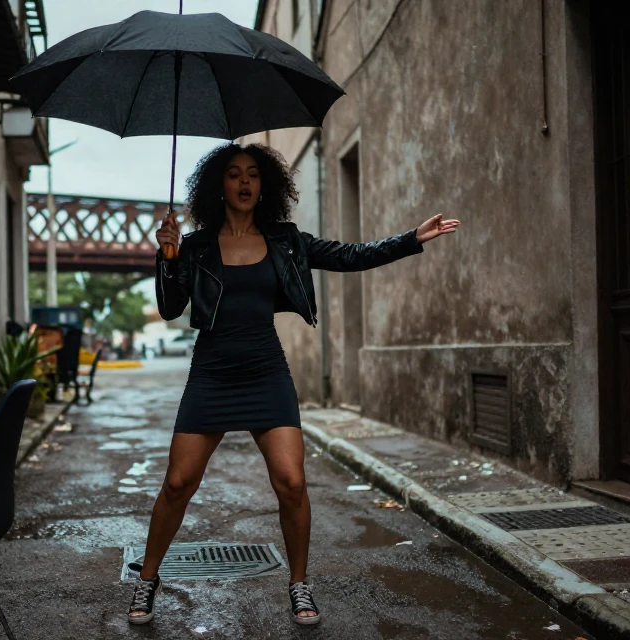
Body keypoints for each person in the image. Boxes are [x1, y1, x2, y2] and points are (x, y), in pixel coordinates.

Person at [126, 143, 461, 626]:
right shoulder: (196, 244)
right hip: (212, 374)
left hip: (266, 371)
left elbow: (350, 256)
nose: (245, 182)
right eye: (235, 174)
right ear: (217, 185)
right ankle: (147, 581)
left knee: (292, 483)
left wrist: (412, 238)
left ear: (266, 186)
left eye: (254, 175)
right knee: (178, 484)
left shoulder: (285, 239)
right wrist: (168, 255)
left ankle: (299, 585)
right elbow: (170, 308)